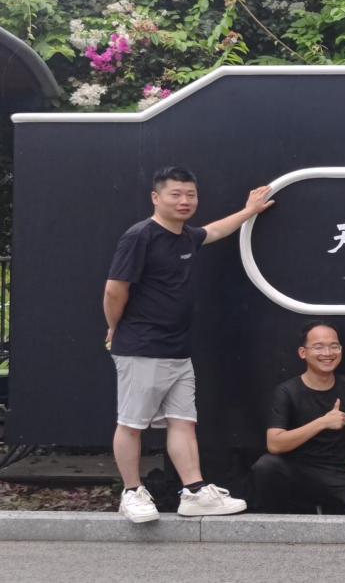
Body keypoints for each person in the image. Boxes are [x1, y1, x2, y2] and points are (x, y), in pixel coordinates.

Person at [104, 166, 273, 523]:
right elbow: (114, 290)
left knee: (183, 422)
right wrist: (114, 328)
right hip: (142, 347)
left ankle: (194, 492)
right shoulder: (140, 236)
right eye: (175, 194)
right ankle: (132, 492)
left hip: (178, 350)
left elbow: (215, 230)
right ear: (156, 197)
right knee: (132, 423)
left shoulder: (186, 236)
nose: (184, 201)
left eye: (190, 194)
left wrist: (249, 210)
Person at [252, 321, 345, 515]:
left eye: (334, 346)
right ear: (302, 352)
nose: (328, 353)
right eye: (318, 347)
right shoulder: (286, 392)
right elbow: (274, 444)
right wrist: (323, 422)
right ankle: (283, 524)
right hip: (298, 470)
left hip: (341, 472)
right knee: (266, 466)